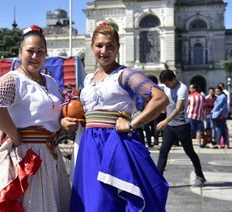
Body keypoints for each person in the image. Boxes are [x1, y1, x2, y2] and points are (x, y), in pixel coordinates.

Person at [61, 22, 169, 211]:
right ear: (92, 47)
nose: (104, 50)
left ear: (118, 48)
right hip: (88, 144)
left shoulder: (125, 75)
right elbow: (88, 113)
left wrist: (132, 124)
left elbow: (160, 99)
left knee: (107, 202)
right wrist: (69, 122)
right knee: (89, 199)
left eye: (110, 46)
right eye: (99, 45)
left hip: (114, 143)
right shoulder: (88, 79)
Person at [0, 25, 71, 211]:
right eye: (30, 51)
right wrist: (13, 134)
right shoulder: (14, 79)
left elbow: (55, 112)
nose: (35, 56)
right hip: (26, 155)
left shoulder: (51, 82)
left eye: (40, 52)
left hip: (50, 151)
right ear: (20, 52)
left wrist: (64, 122)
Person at [156, 70, 206, 187]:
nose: (166, 86)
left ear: (173, 79)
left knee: (189, 151)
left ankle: (200, 176)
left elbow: (178, 109)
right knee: (163, 151)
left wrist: (165, 121)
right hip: (170, 126)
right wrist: (161, 111)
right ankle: (158, 179)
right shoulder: (167, 87)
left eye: (168, 83)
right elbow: (165, 103)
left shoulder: (182, 89)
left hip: (182, 125)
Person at [187, 83, 205, 147]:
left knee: (189, 131)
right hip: (199, 116)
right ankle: (199, 143)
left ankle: (188, 143)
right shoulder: (201, 96)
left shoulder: (190, 96)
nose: (189, 89)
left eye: (190, 88)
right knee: (198, 130)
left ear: (194, 89)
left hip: (190, 115)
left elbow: (186, 105)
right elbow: (204, 105)